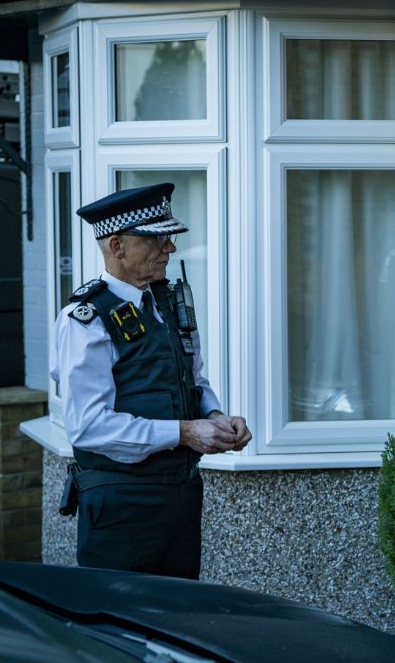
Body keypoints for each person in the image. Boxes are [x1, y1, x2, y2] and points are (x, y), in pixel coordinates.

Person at [51, 183, 251, 579]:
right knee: (118, 624)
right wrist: (185, 432)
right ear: (117, 246)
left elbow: (191, 377)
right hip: (122, 502)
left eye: (169, 237)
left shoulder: (165, 302)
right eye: (157, 238)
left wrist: (214, 415)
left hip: (180, 495)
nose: (170, 248)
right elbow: (88, 426)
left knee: (179, 616)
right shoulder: (85, 321)